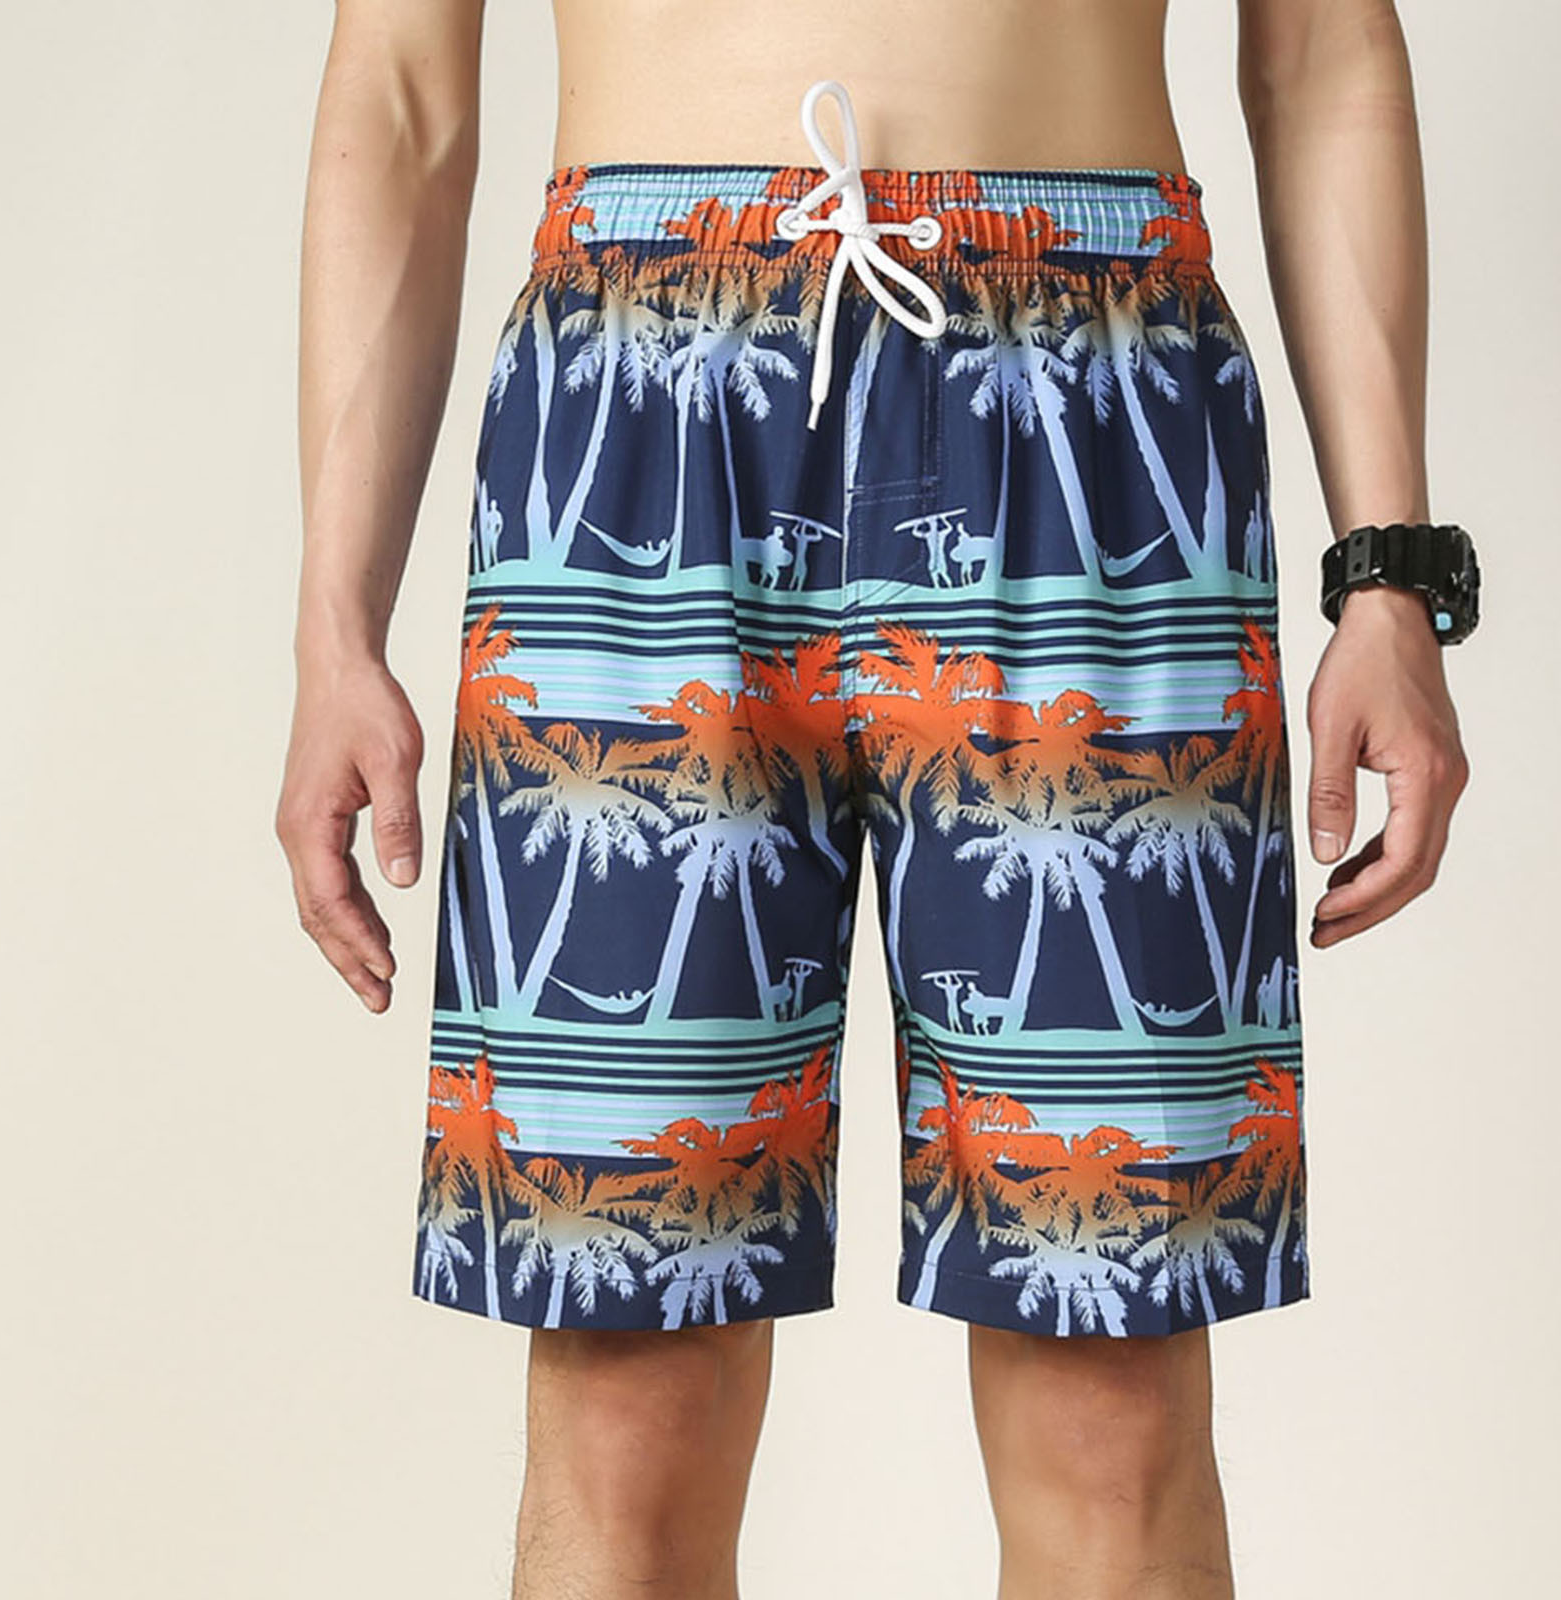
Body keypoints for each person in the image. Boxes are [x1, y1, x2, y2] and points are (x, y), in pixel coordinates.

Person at [275, 3, 1472, 1596]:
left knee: (1111, 1387)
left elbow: (1322, 49)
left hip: (1092, 391)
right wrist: (334, 627)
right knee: (631, 1381)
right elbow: (403, 94)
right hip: (638, 391)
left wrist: (1390, 576)